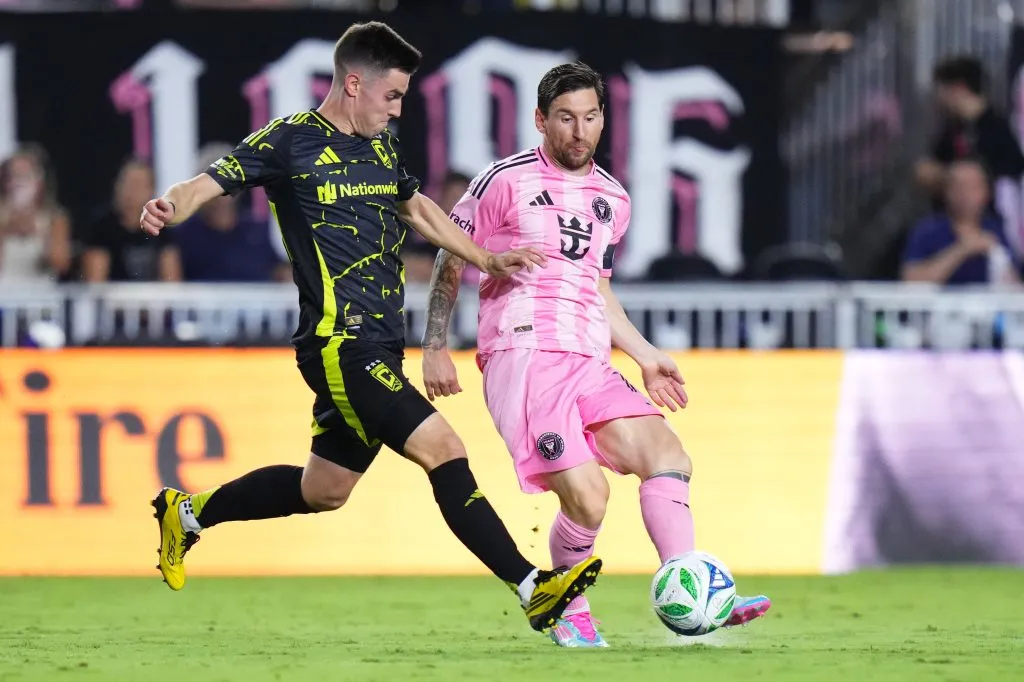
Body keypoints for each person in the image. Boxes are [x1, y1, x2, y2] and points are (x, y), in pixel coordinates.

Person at [138, 21, 601, 634]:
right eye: (392, 96)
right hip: (339, 342)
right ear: (354, 84)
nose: (398, 109)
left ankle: (188, 514)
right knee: (445, 449)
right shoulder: (291, 141)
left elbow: (419, 211)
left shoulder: (382, 147)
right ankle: (531, 585)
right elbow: (207, 181)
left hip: (380, 344)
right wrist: (172, 204)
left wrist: (486, 258)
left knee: (324, 489)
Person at [421, 62, 771, 648]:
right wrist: (434, 345)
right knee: (589, 497)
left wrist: (644, 353)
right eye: (565, 119)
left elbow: (595, 287)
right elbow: (450, 258)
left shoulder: (613, 197)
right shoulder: (502, 181)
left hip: (589, 358)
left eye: (590, 118)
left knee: (667, 454)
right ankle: (571, 608)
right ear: (540, 120)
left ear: (603, 119)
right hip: (525, 354)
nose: (579, 132)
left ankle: (692, 588)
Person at [902, 157, 1020, 286]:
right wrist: (962, 249)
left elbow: (1014, 285)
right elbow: (911, 280)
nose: (964, 194)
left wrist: (997, 255)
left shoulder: (996, 229)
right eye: (957, 186)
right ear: (946, 191)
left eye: (972, 187)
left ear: (986, 192)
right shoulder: (927, 230)